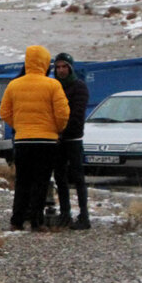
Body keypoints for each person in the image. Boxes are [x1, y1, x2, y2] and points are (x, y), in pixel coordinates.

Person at [0, 45, 69, 232]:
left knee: (22, 181)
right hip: (46, 141)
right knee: (41, 181)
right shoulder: (53, 84)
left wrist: (20, 125)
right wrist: (56, 129)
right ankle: (37, 222)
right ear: (46, 63)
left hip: (23, 140)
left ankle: (17, 220)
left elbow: (4, 112)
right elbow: (63, 114)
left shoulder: (14, 84)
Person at [51, 53, 90, 229]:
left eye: (64, 66)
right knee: (59, 177)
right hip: (57, 139)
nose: (61, 70)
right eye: (58, 67)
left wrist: (63, 130)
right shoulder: (53, 86)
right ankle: (65, 213)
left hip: (73, 138)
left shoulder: (79, 86)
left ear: (70, 68)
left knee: (77, 177)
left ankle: (84, 214)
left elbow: (77, 114)